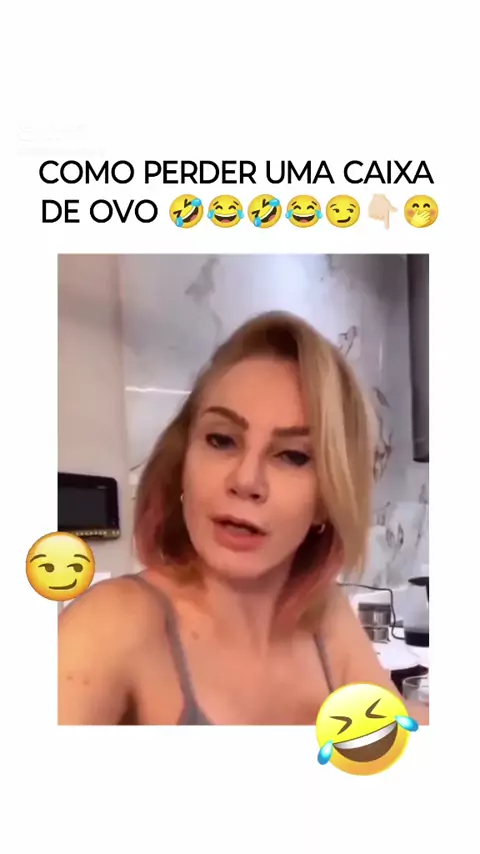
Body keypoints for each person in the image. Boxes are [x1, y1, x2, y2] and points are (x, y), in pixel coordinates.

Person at [58, 311, 429, 725]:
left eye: (293, 456)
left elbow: (392, 736)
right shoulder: (110, 626)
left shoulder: (327, 618)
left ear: (327, 500)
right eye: (221, 440)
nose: (246, 480)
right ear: (183, 464)